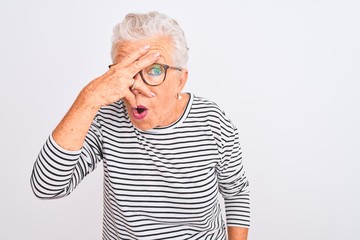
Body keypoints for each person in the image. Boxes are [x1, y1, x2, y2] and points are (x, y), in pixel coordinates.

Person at [30, 11, 250, 240]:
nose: (137, 85)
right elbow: (47, 187)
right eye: (127, 71)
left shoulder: (213, 122)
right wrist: (89, 98)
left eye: (155, 70)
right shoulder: (105, 117)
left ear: (180, 80)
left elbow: (236, 192)